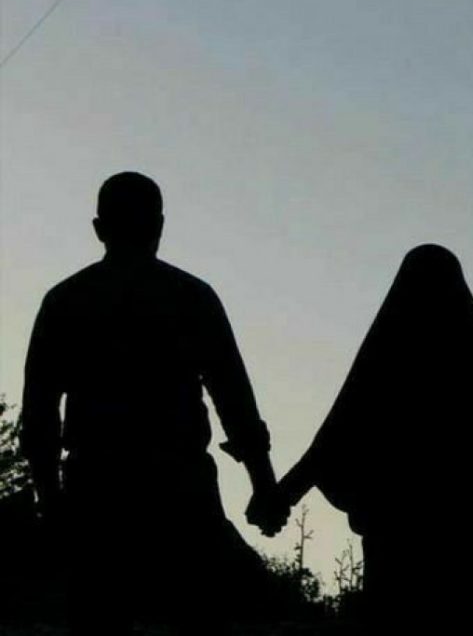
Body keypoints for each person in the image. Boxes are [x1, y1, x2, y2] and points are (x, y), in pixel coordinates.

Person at [19, 172, 284, 635]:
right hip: (178, 492)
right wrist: (264, 484)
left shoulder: (66, 301)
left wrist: (51, 501)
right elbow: (235, 401)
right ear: (160, 225)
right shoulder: (192, 297)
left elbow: (40, 415)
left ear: (99, 228)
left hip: (97, 494)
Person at [258, 243, 473, 633]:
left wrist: (281, 497)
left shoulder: (389, 354)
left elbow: (333, 439)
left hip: (400, 539)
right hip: (471, 543)